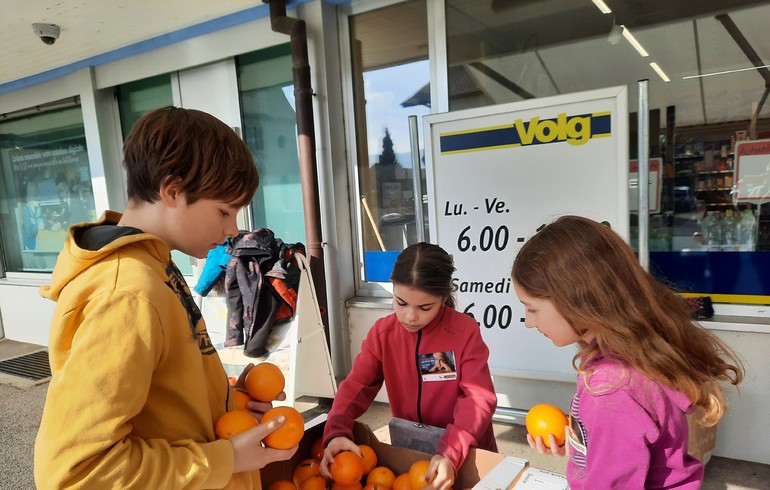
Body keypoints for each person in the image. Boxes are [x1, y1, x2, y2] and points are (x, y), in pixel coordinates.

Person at [34, 107, 298, 489]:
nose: (232, 231)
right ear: (172, 190)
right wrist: (226, 459)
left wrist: (224, 401)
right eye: (224, 211)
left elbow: (158, 395)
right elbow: (78, 471)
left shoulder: (154, 265)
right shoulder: (127, 293)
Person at [511, 215, 744, 489]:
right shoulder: (638, 354)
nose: (528, 322)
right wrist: (582, 446)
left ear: (574, 299)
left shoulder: (610, 390)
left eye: (532, 309)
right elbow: (630, 443)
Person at [319, 242, 498, 490]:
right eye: (400, 302)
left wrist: (451, 451)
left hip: (467, 449)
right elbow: (356, 386)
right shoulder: (383, 334)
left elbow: (477, 398)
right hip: (412, 451)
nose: (410, 316)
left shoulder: (463, 332)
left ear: (444, 298)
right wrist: (337, 431)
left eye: (425, 307)